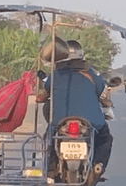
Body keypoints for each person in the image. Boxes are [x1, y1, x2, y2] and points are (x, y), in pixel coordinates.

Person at [37, 39, 114, 179]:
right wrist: (106, 103)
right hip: (90, 120)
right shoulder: (92, 74)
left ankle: (51, 169)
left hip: (60, 120)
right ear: (81, 54)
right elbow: (103, 94)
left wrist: (40, 97)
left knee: (49, 138)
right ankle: (98, 166)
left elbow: (42, 96)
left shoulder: (55, 75)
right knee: (105, 139)